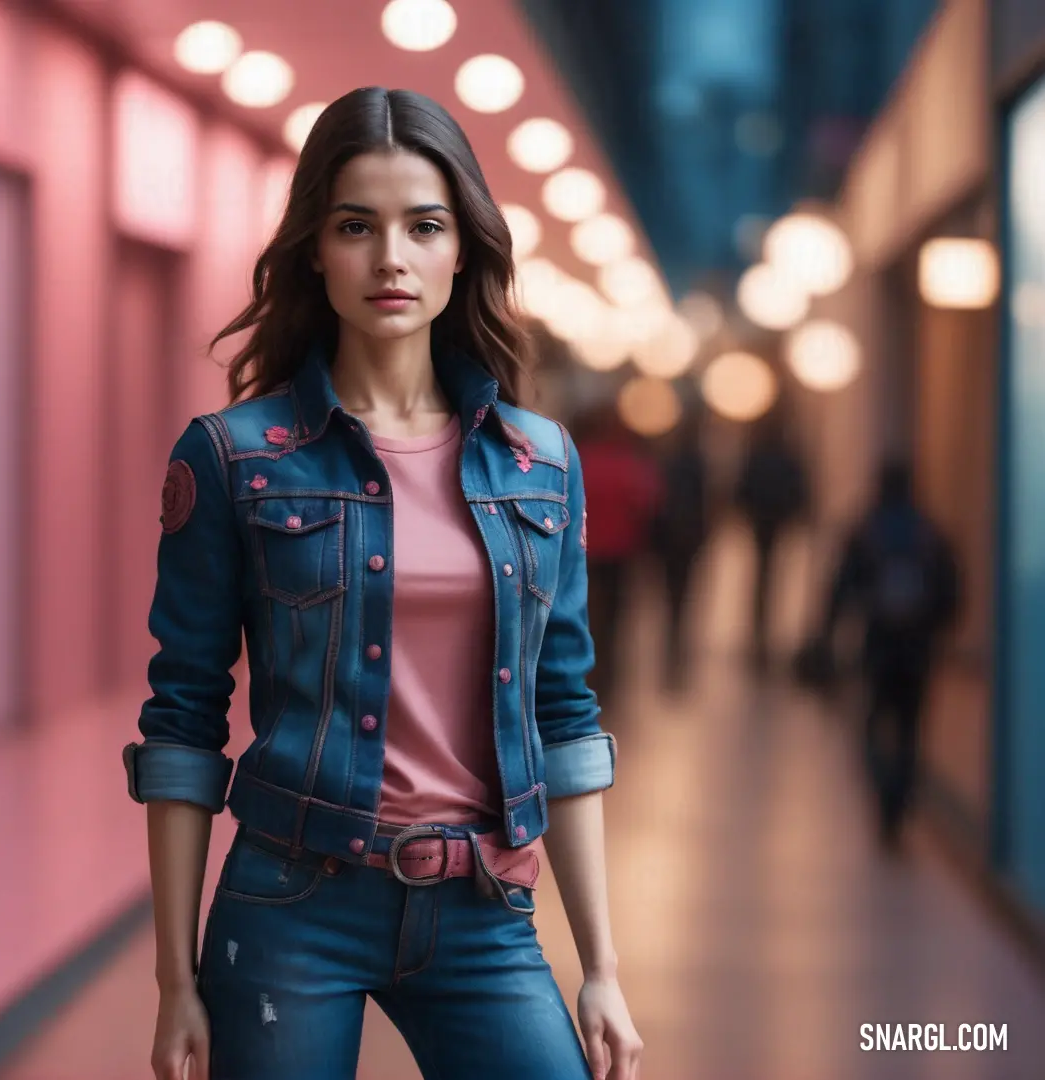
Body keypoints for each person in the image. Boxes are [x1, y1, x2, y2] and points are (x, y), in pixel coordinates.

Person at [122, 87, 643, 1080]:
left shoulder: (541, 463)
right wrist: (174, 979)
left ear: (464, 250)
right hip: (290, 905)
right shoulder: (236, 459)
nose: (391, 256)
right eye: (357, 225)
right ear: (315, 248)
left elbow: (564, 712)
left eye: (424, 225)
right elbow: (183, 720)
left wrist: (601, 966)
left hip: (484, 907)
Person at [813, 460, 959, 847]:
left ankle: (884, 795)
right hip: (917, 651)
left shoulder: (865, 532)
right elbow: (951, 594)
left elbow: (840, 589)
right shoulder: (930, 534)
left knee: (871, 728)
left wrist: (827, 639)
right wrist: (932, 628)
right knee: (910, 731)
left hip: (877, 648)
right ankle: (899, 801)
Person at [573, 404, 665, 704]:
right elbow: (648, 502)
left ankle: (587, 669)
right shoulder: (630, 462)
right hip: (621, 552)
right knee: (615, 616)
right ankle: (609, 672)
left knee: (583, 614)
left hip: (584, 553)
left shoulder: (579, 459)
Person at [734, 413, 809, 669]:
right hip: (771, 522)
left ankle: (760, 632)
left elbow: (743, 488)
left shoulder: (759, 457)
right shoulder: (782, 458)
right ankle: (760, 633)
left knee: (764, 579)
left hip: (765, 523)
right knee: (769, 578)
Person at [649, 415, 708, 690]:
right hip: (686, 537)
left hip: (671, 537)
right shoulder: (697, 466)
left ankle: (672, 629)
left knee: (671, 587)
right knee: (682, 589)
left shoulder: (667, 463)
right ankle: (677, 628)